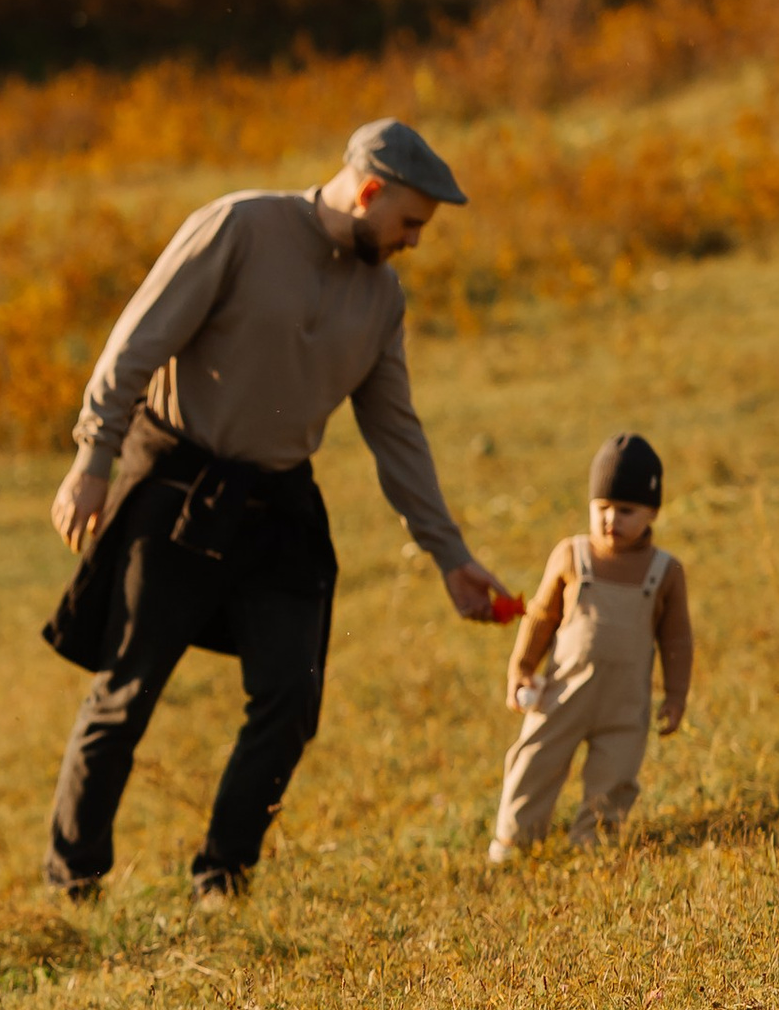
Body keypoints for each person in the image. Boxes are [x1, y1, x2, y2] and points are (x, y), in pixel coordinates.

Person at [44, 118, 510, 903]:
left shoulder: (381, 296)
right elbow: (133, 345)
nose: (415, 244)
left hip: (280, 504)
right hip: (176, 486)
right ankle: (74, 885)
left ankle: (222, 876)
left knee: (292, 698)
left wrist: (449, 554)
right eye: (410, 225)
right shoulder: (239, 225)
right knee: (126, 694)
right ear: (368, 192)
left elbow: (395, 431)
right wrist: (94, 458)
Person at [488, 431, 692, 863]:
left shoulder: (666, 572)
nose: (610, 520)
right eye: (601, 508)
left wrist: (675, 697)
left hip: (625, 704)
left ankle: (593, 844)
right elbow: (542, 616)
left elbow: (677, 639)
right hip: (564, 692)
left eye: (626, 510)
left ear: (653, 511)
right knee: (534, 762)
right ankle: (514, 841)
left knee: (615, 776)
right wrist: (522, 666)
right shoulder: (571, 556)